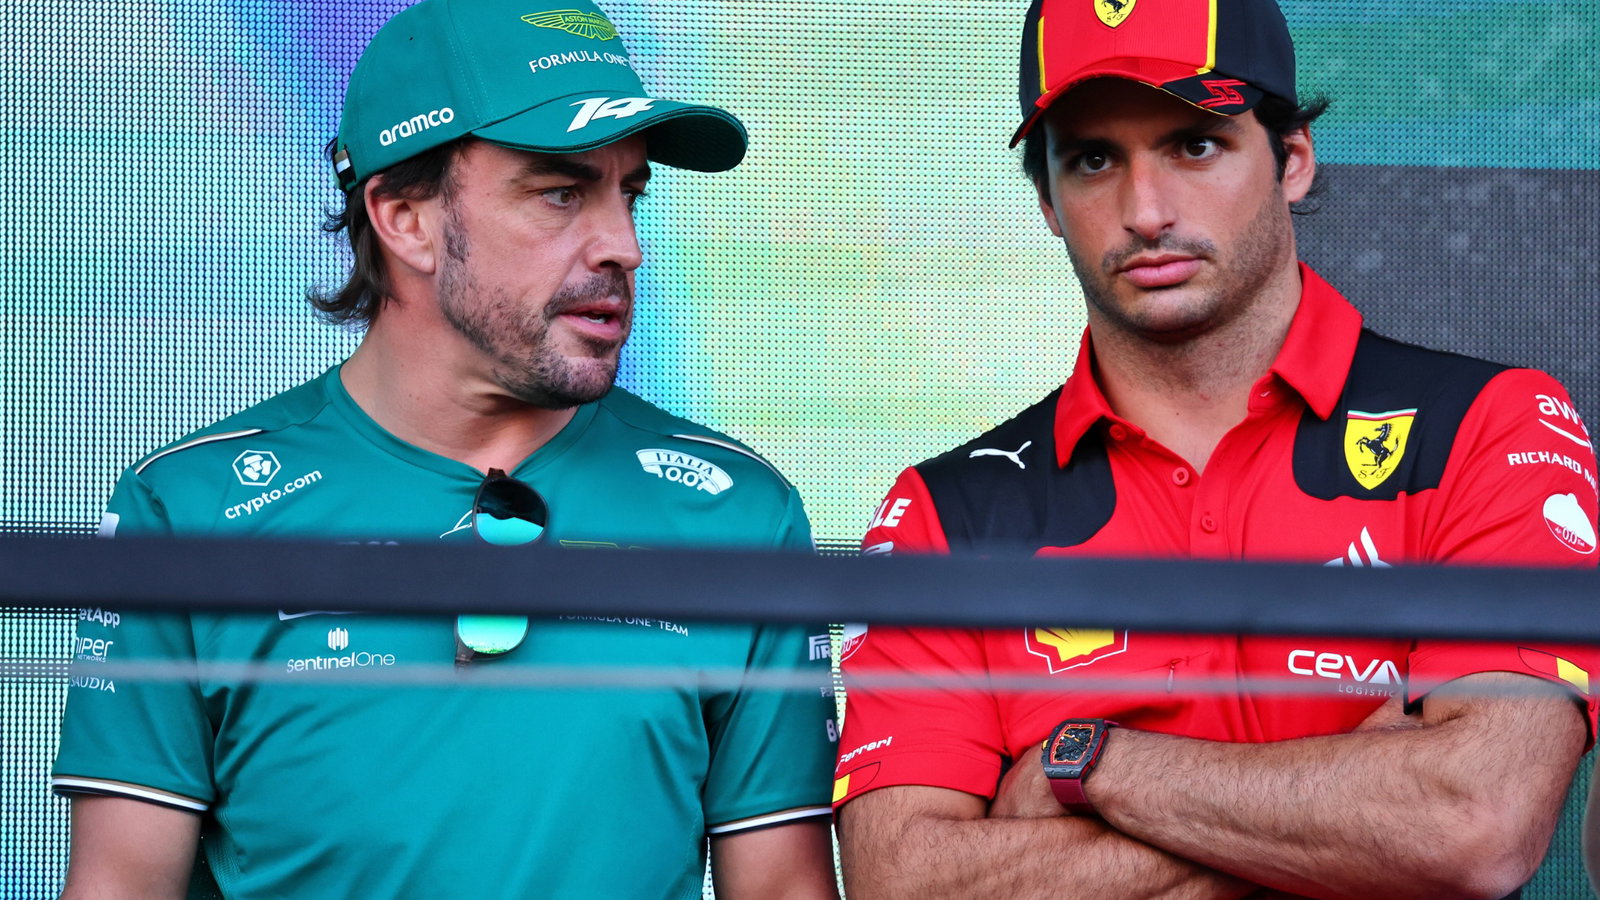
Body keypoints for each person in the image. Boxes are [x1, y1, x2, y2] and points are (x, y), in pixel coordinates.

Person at [51, 2, 839, 897]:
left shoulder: (739, 513)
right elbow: (119, 887)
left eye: (630, 193)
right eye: (559, 192)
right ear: (403, 217)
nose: (624, 247)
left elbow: (782, 888)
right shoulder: (185, 510)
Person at [834, 0, 1599, 897]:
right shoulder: (947, 515)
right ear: (1046, 200)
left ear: (1294, 162)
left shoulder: (1489, 426)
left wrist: (1091, 765)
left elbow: (1475, 824)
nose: (1146, 211)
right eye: (1091, 159)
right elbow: (906, 882)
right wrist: (1348, 819)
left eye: (1194, 145)